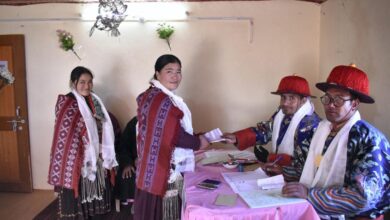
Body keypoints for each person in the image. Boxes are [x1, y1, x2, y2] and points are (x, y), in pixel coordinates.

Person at [282, 64, 390, 219]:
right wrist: (282, 172)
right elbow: (315, 164)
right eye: (327, 98)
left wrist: (310, 195)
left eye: (338, 99)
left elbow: (362, 197)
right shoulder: (322, 130)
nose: (330, 104)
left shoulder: (369, 139)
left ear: (354, 104)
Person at [133, 54, 209, 220]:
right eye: (169, 71)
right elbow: (174, 135)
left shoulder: (158, 96)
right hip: (161, 168)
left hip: (153, 166)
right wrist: (198, 142)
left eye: (178, 71)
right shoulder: (159, 99)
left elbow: (170, 130)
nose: (175, 76)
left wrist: (196, 137)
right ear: (157, 73)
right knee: (162, 212)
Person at [48, 66, 118, 219]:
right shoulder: (66, 103)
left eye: (90, 82)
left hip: (96, 153)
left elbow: (104, 122)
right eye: (82, 82)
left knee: (96, 195)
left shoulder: (94, 100)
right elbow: (65, 131)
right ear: (74, 83)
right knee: (78, 196)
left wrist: (100, 122)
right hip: (76, 156)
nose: (87, 86)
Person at [223, 75, 321, 179]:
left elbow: (318, 163)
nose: (285, 103)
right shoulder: (281, 114)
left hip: (299, 183)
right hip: (277, 172)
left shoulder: (314, 125)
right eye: (283, 97)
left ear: (304, 100)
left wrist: (284, 171)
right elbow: (266, 130)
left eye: (291, 98)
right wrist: (237, 137)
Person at [115, 116, 138, 207]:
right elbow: (123, 146)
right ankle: (134, 203)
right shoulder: (133, 123)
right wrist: (128, 163)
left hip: (152, 162)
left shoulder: (160, 122)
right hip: (133, 160)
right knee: (127, 173)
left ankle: (143, 203)